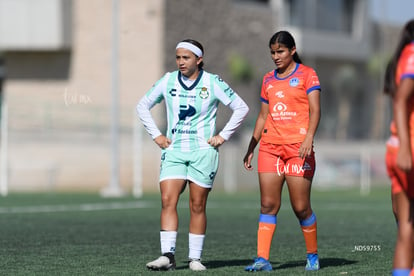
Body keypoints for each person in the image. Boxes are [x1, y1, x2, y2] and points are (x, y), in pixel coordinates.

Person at [137, 38, 249, 271]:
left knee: (197, 205)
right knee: (168, 200)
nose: (180, 62)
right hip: (174, 150)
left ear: (199, 59)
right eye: (178, 57)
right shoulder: (168, 80)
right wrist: (157, 135)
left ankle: (195, 259)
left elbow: (241, 107)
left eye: (186, 57)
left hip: (203, 153)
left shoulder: (212, 82)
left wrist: (223, 135)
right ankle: (167, 256)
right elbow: (142, 105)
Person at [243, 30, 321, 272]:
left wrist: (309, 137)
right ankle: (262, 259)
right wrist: (251, 147)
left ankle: (312, 255)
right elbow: (263, 115)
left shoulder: (308, 74)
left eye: (280, 51)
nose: (276, 56)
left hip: (299, 149)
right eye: (273, 53)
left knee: (301, 207)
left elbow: (315, 110)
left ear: (292, 50)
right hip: (270, 147)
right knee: (267, 204)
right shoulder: (268, 79)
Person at [384, 19, 414, 276]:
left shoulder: (403, 55)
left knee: (406, 225)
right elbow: (401, 99)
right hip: (409, 149)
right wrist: (406, 147)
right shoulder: (413, 54)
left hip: (399, 148)